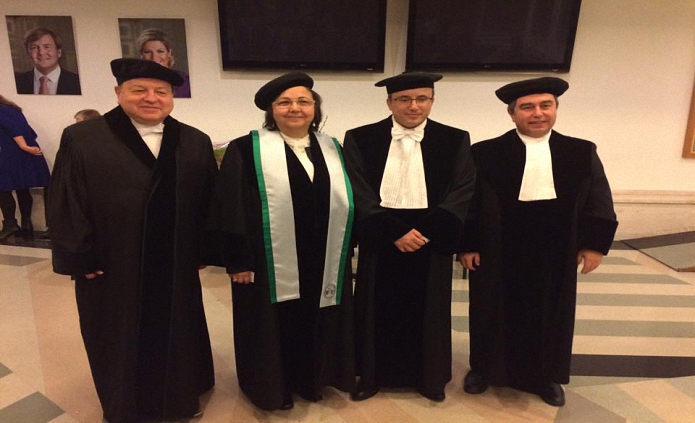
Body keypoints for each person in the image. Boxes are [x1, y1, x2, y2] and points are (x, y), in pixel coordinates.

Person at [47, 58, 217, 422]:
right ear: (118, 93)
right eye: (139, 90)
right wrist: (79, 256)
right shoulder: (83, 138)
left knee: (178, 332)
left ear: (171, 98)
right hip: (112, 262)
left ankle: (179, 401)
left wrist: (204, 250)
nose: (151, 98)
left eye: (161, 92)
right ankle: (124, 407)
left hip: (174, 262)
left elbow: (208, 202)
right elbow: (66, 199)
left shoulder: (194, 140)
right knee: (116, 334)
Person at [458, 77, 618, 407]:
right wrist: (467, 244)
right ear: (512, 113)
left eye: (546, 105)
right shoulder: (485, 152)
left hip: (556, 251)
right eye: (527, 107)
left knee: (551, 313)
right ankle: (484, 369)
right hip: (498, 249)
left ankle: (546, 376)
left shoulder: (580, 151)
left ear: (556, 109)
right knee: (489, 309)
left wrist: (593, 245)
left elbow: (598, 199)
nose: (538, 113)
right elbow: (469, 201)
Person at [215, 72, 355, 411]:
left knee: (316, 317)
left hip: (321, 256)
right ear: (271, 110)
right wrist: (238, 259)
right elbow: (230, 206)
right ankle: (271, 388)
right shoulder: (245, 149)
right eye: (285, 102)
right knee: (270, 324)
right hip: (266, 261)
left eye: (304, 101)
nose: (295, 108)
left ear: (315, 108)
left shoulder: (332, 148)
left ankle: (311, 380)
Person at [343, 72, 476, 402]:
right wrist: (394, 232)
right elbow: (356, 188)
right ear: (389, 102)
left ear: (432, 101)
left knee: (429, 312)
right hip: (382, 238)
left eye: (421, 99)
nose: (413, 106)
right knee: (374, 310)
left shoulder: (454, 139)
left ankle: (429, 379)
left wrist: (426, 232)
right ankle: (371, 376)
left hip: (431, 239)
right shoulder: (361, 138)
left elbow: (462, 189)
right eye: (404, 99)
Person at [0, 95, 51, 240]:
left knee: (2, 189)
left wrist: (24, 146)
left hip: (12, 152)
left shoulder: (1, 110)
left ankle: (10, 225)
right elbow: (30, 131)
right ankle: (27, 224)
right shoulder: (12, 109)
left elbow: (13, 129)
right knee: (22, 187)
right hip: (23, 152)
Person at [14, 28, 81, 95]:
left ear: (59, 52)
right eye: (34, 47)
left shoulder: (78, 82)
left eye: (47, 47)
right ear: (28, 53)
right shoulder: (16, 81)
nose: (41, 52)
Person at [136, 28, 191, 98]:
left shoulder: (186, 81)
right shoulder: (134, 82)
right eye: (147, 52)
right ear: (141, 55)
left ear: (169, 53)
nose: (154, 57)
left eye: (160, 51)